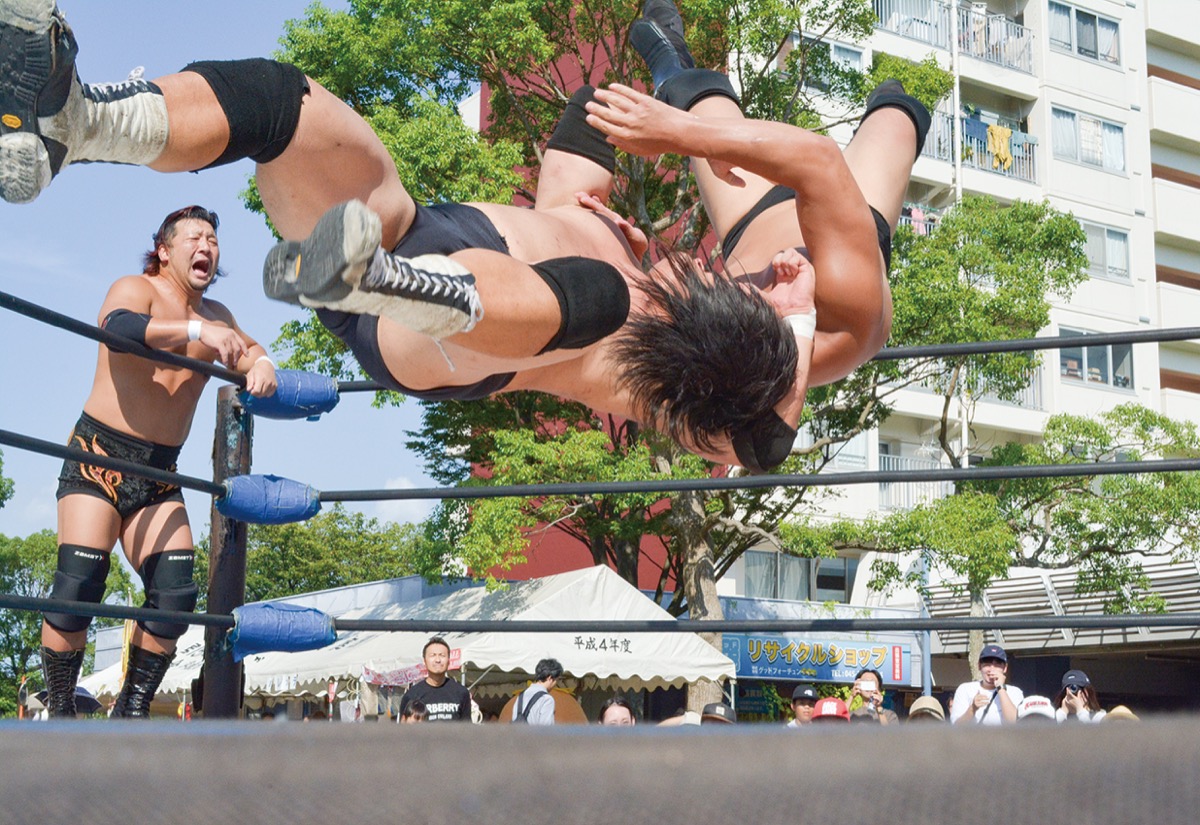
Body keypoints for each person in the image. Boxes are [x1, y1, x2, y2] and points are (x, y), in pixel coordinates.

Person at [2, 1, 891, 473]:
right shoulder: (612, 226)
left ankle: (389, 283)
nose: (769, 267)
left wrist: (796, 324)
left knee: (600, 299)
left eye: (770, 283)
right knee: (279, 103)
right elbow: (584, 135)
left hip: (455, 337)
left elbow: (760, 444)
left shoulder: (680, 377)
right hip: (404, 227)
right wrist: (644, 102)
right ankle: (73, 124)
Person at [598, 0, 931, 392]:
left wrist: (614, 244)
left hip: (754, 217)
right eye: (703, 274)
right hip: (858, 217)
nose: (703, 263)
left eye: (708, 273)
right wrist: (678, 133)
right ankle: (888, 103)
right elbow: (819, 161)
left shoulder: (708, 357)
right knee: (899, 117)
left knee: (693, 93)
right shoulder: (846, 310)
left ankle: (672, 67)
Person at [39, 205, 276, 718]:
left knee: (175, 594)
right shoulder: (136, 288)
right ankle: (59, 711)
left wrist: (261, 363)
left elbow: (250, 350)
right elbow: (118, 329)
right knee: (78, 583)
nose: (206, 246)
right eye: (195, 237)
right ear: (164, 250)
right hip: (99, 458)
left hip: (159, 474)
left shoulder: (220, 317)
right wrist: (195, 332)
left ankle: (132, 711)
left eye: (213, 239)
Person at [398, 637, 472, 723]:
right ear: (424, 661)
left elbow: (467, 728)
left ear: (449, 661)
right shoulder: (411, 695)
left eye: (442, 655)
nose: (437, 660)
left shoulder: (461, 693)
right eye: (433, 655)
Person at [949, 644, 1024, 726]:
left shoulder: (1015, 692)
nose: (991, 669)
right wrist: (973, 708)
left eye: (997, 665)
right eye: (987, 664)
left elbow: (1014, 723)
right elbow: (957, 726)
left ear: (1005, 668)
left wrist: (1001, 688)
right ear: (979, 666)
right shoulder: (965, 689)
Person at [512, 658, 562, 725]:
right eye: (557, 680)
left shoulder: (521, 696)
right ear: (550, 678)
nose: (556, 684)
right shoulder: (547, 699)